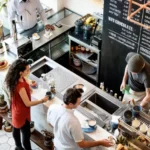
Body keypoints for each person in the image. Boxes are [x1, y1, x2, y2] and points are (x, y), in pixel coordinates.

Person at [47, 88, 113, 150]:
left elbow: (50, 123)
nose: (79, 103)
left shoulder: (52, 107)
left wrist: (62, 132)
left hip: (57, 146)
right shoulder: (73, 122)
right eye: (78, 102)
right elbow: (82, 144)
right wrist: (100, 142)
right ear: (70, 104)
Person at [5, 58, 49, 150]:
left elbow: (25, 84)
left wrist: (29, 86)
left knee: (16, 128)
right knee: (26, 135)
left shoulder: (17, 78)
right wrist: (42, 100)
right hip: (21, 113)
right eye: (27, 70)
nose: (29, 71)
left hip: (16, 109)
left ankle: (18, 146)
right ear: (20, 72)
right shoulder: (20, 87)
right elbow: (28, 103)